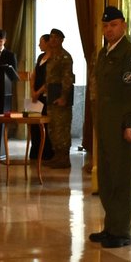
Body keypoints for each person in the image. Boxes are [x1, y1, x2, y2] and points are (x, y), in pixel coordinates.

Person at [87, 6, 131, 248]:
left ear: (123, 25)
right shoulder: (105, 53)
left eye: (114, 25)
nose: (109, 30)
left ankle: (122, 231)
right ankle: (111, 226)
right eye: (106, 25)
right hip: (106, 123)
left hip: (122, 125)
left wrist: (130, 124)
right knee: (108, 176)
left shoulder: (130, 54)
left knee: (122, 177)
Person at [45, 28, 75, 168]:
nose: (53, 40)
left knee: (62, 127)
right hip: (52, 95)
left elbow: (67, 78)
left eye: (56, 38)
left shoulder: (65, 57)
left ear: (62, 40)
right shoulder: (51, 56)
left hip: (62, 96)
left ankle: (64, 157)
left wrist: (64, 97)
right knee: (53, 128)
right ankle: (57, 155)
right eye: (51, 37)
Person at [28, 34, 55, 161]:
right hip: (36, 96)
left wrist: (38, 92)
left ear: (48, 43)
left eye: (41, 42)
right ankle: (35, 151)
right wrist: (32, 90)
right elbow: (33, 75)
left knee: (44, 125)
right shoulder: (40, 57)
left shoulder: (53, 58)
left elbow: (49, 80)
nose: (39, 45)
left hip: (45, 95)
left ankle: (46, 153)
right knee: (34, 123)